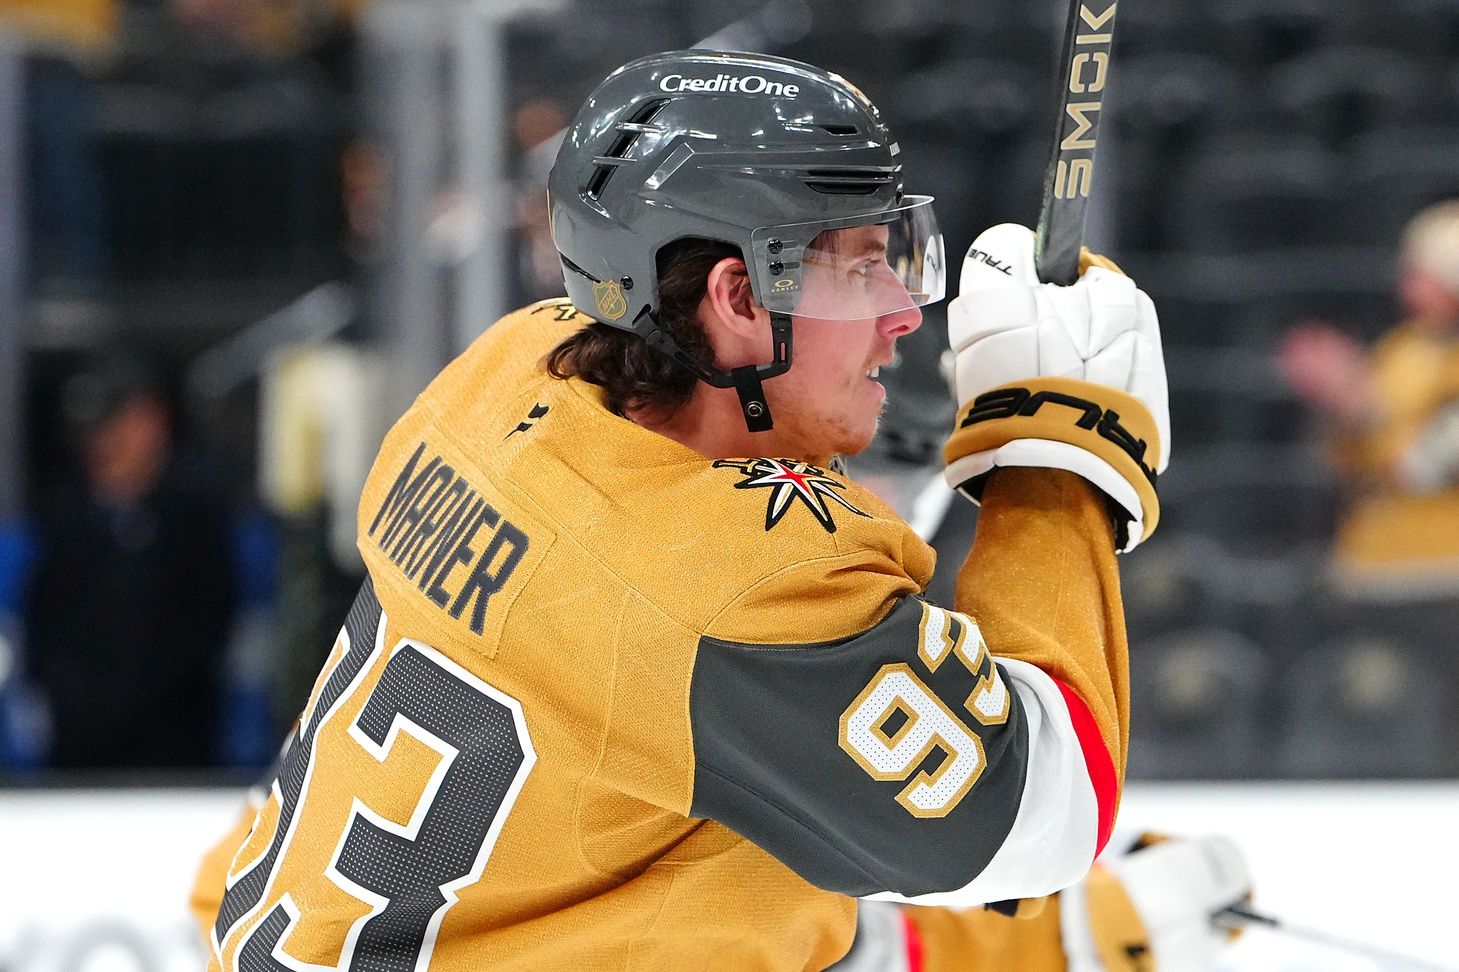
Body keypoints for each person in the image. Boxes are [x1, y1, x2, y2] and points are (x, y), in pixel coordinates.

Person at [191, 50, 1245, 970]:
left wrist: (1042, 942)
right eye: (866, 264)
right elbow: (1042, 808)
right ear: (738, 299)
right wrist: (1048, 467)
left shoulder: (506, 375)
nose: (902, 310)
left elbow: (696, 858)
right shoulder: (731, 598)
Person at [25, 357, 236, 767]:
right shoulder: (66, 517)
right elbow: (44, 626)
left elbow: (207, 629)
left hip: (175, 752)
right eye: (96, 432)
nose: (104, 444)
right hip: (79, 752)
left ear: (151, 421)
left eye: (117, 428)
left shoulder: (196, 513)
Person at [1280, 199, 1459, 594]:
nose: (1408, 286)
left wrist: (1362, 411)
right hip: (1373, 560)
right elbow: (1343, 463)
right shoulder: (1402, 348)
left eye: (1422, 273)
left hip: (1444, 570)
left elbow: (1425, 467)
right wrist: (1341, 407)